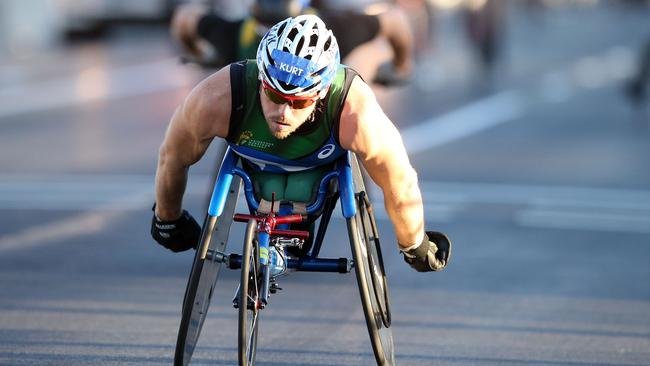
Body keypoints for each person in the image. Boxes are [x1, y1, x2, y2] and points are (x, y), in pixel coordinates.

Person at [151, 14, 450, 272]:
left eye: (299, 101)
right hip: (255, 169)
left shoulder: (355, 112)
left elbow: (400, 182)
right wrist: (168, 218)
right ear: (261, 80)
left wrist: (413, 243)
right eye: (275, 96)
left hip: (318, 176)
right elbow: (172, 157)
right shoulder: (216, 98)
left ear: (320, 95)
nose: (283, 112)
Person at [170, 0, 414, 85]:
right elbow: (394, 20)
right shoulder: (334, 30)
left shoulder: (234, 34)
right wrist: (400, 66)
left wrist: (202, 53)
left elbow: (185, 18)